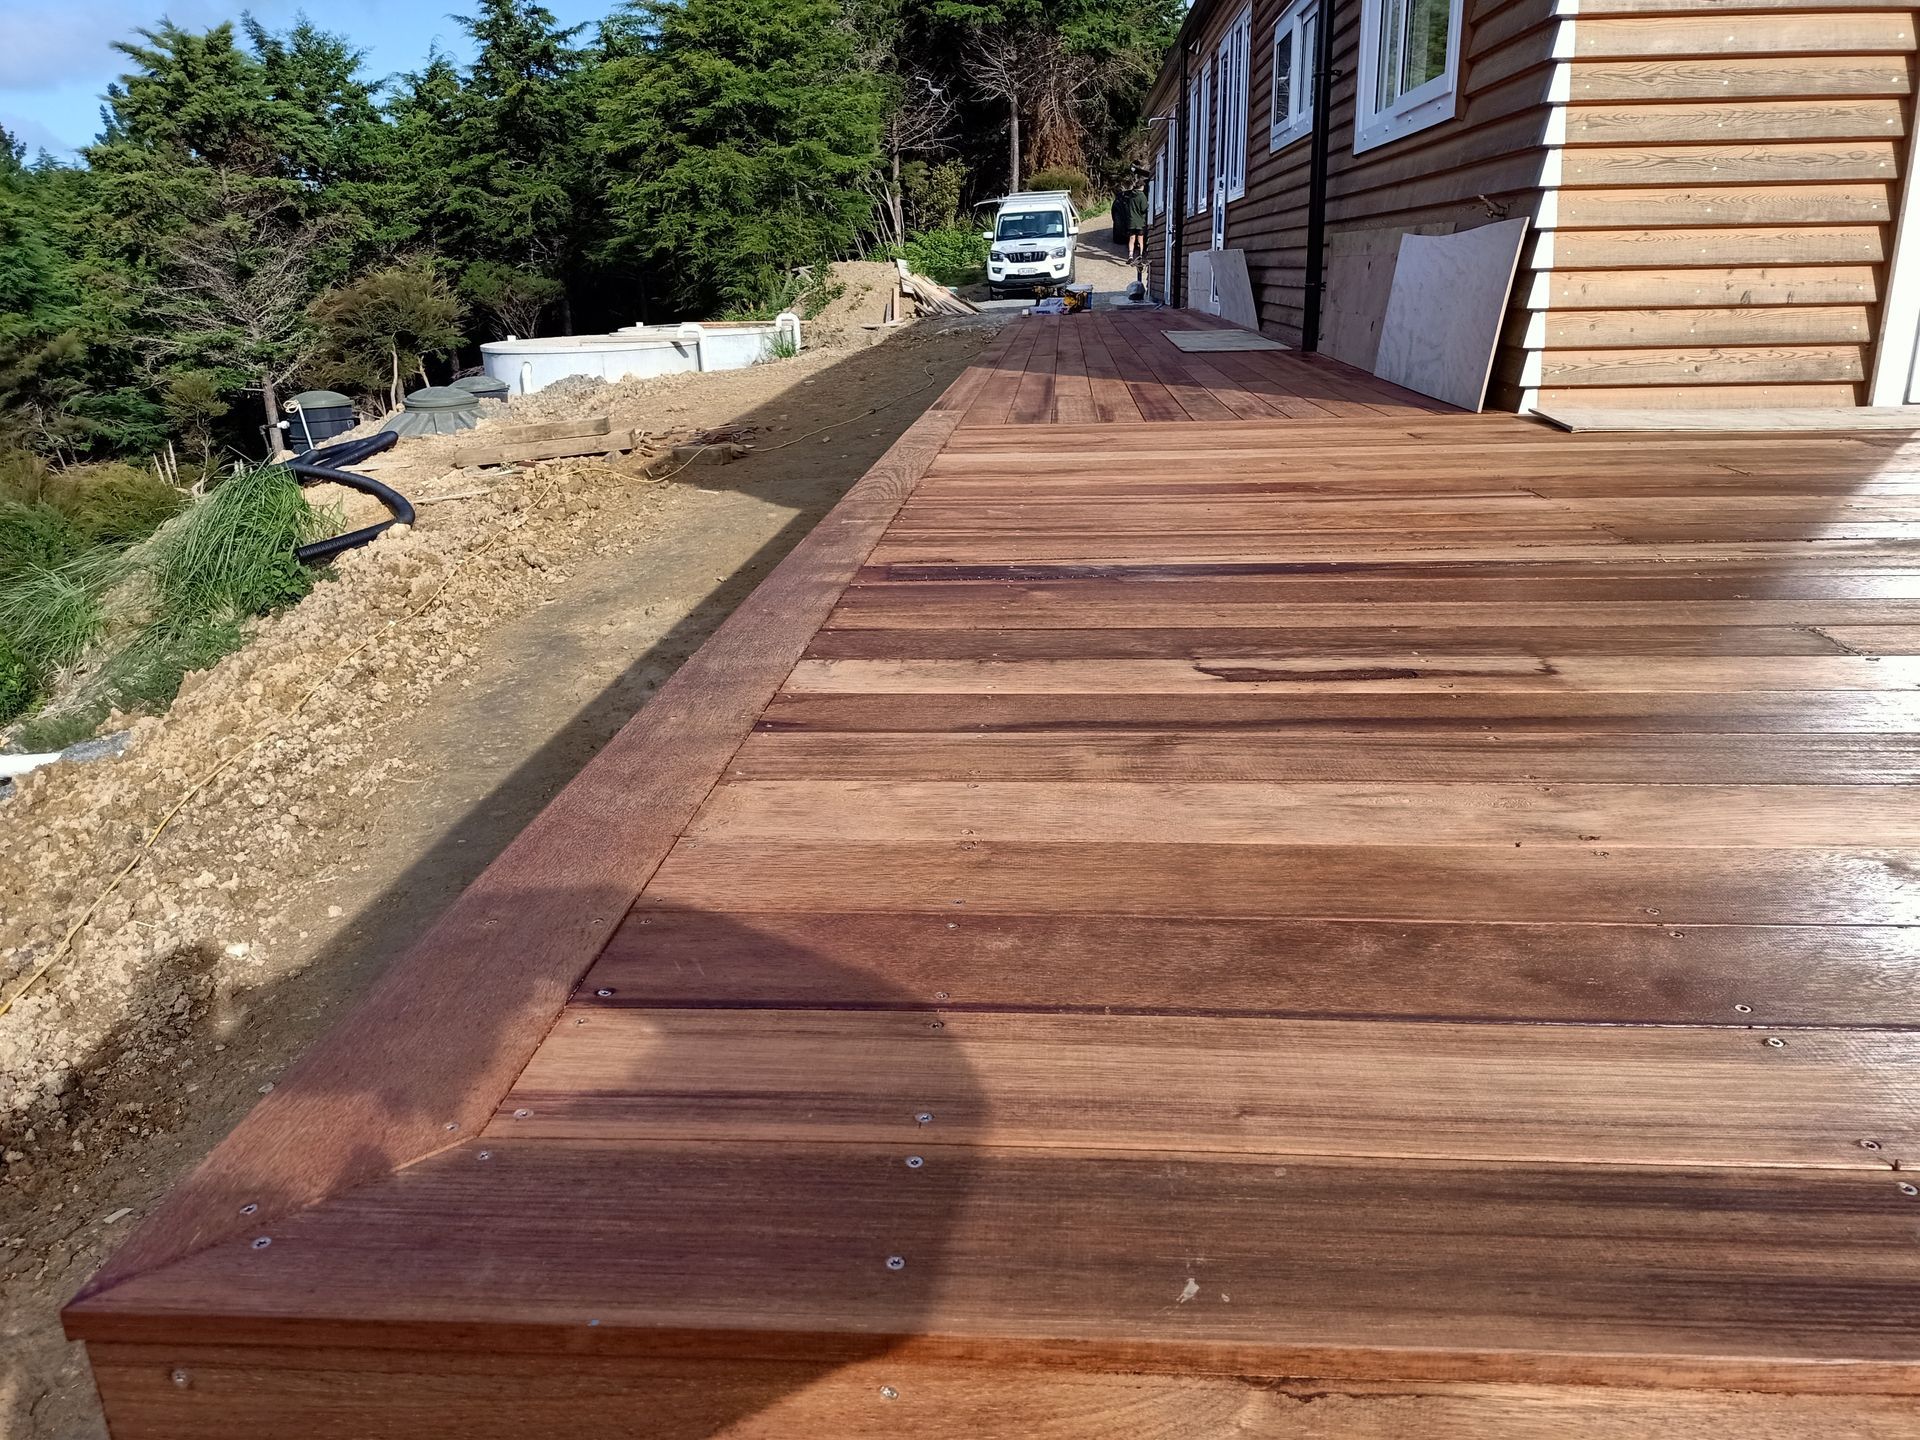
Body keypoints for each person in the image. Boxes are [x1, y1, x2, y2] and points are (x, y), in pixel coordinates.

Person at [1117, 176, 1149, 264]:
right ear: (1142, 186)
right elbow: (1143, 209)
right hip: (1140, 221)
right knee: (1140, 239)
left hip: (1131, 221)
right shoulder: (1142, 196)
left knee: (1131, 238)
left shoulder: (1131, 196)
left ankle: (1130, 256)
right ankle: (1141, 256)